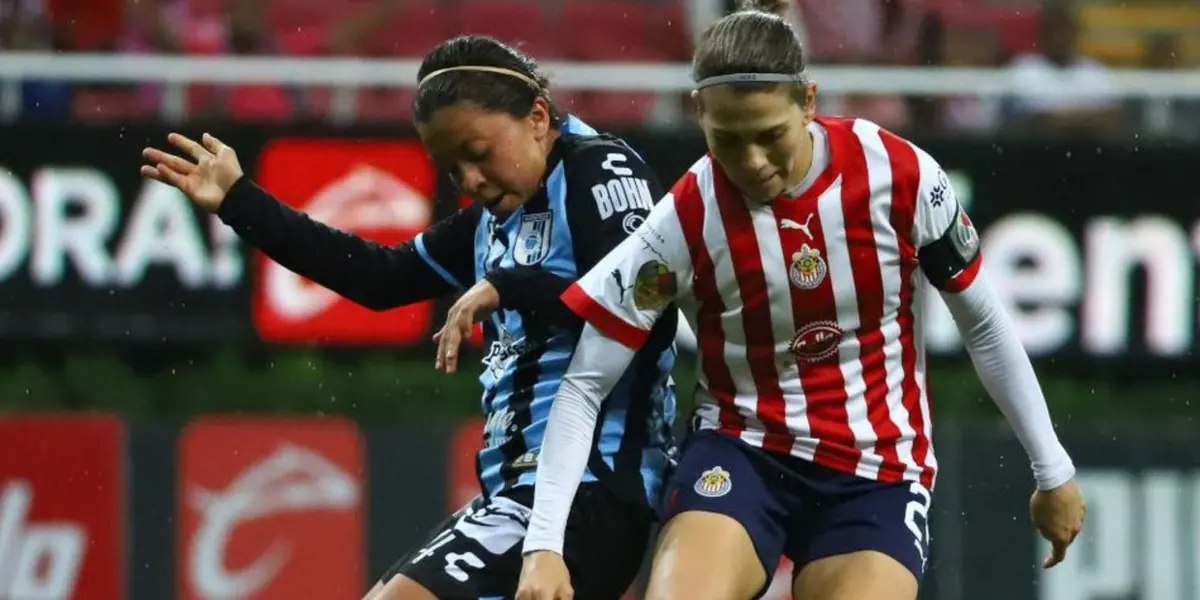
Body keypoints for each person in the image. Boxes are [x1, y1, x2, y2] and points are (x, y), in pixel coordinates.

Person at [514, 2, 1087, 600]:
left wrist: (1052, 470)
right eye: (728, 140)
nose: (753, 162)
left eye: (770, 137)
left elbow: (985, 325)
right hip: (742, 451)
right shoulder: (681, 222)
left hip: (877, 470)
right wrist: (543, 547)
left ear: (808, 101)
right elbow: (585, 383)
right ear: (698, 112)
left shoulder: (901, 177)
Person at [141, 35, 679, 600]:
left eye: (479, 152)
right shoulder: (494, 219)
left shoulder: (601, 171)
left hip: (589, 492)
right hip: (518, 495)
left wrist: (507, 285)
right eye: (452, 169)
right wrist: (240, 201)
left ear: (538, 117)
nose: (470, 181)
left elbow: (651, 306)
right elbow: (380, 278)